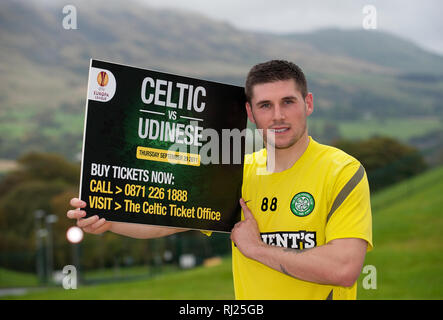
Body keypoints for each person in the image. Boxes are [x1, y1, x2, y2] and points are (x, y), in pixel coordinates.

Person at [67, 59, 372, 300]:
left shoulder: (342, 171)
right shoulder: (235, 172)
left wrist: (256, 248)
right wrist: (106, 217)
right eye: (265, 105)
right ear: (250, 114)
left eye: (288, 102)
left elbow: (343, 269)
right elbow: (163, 222)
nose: (278, 115)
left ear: (308, 103)